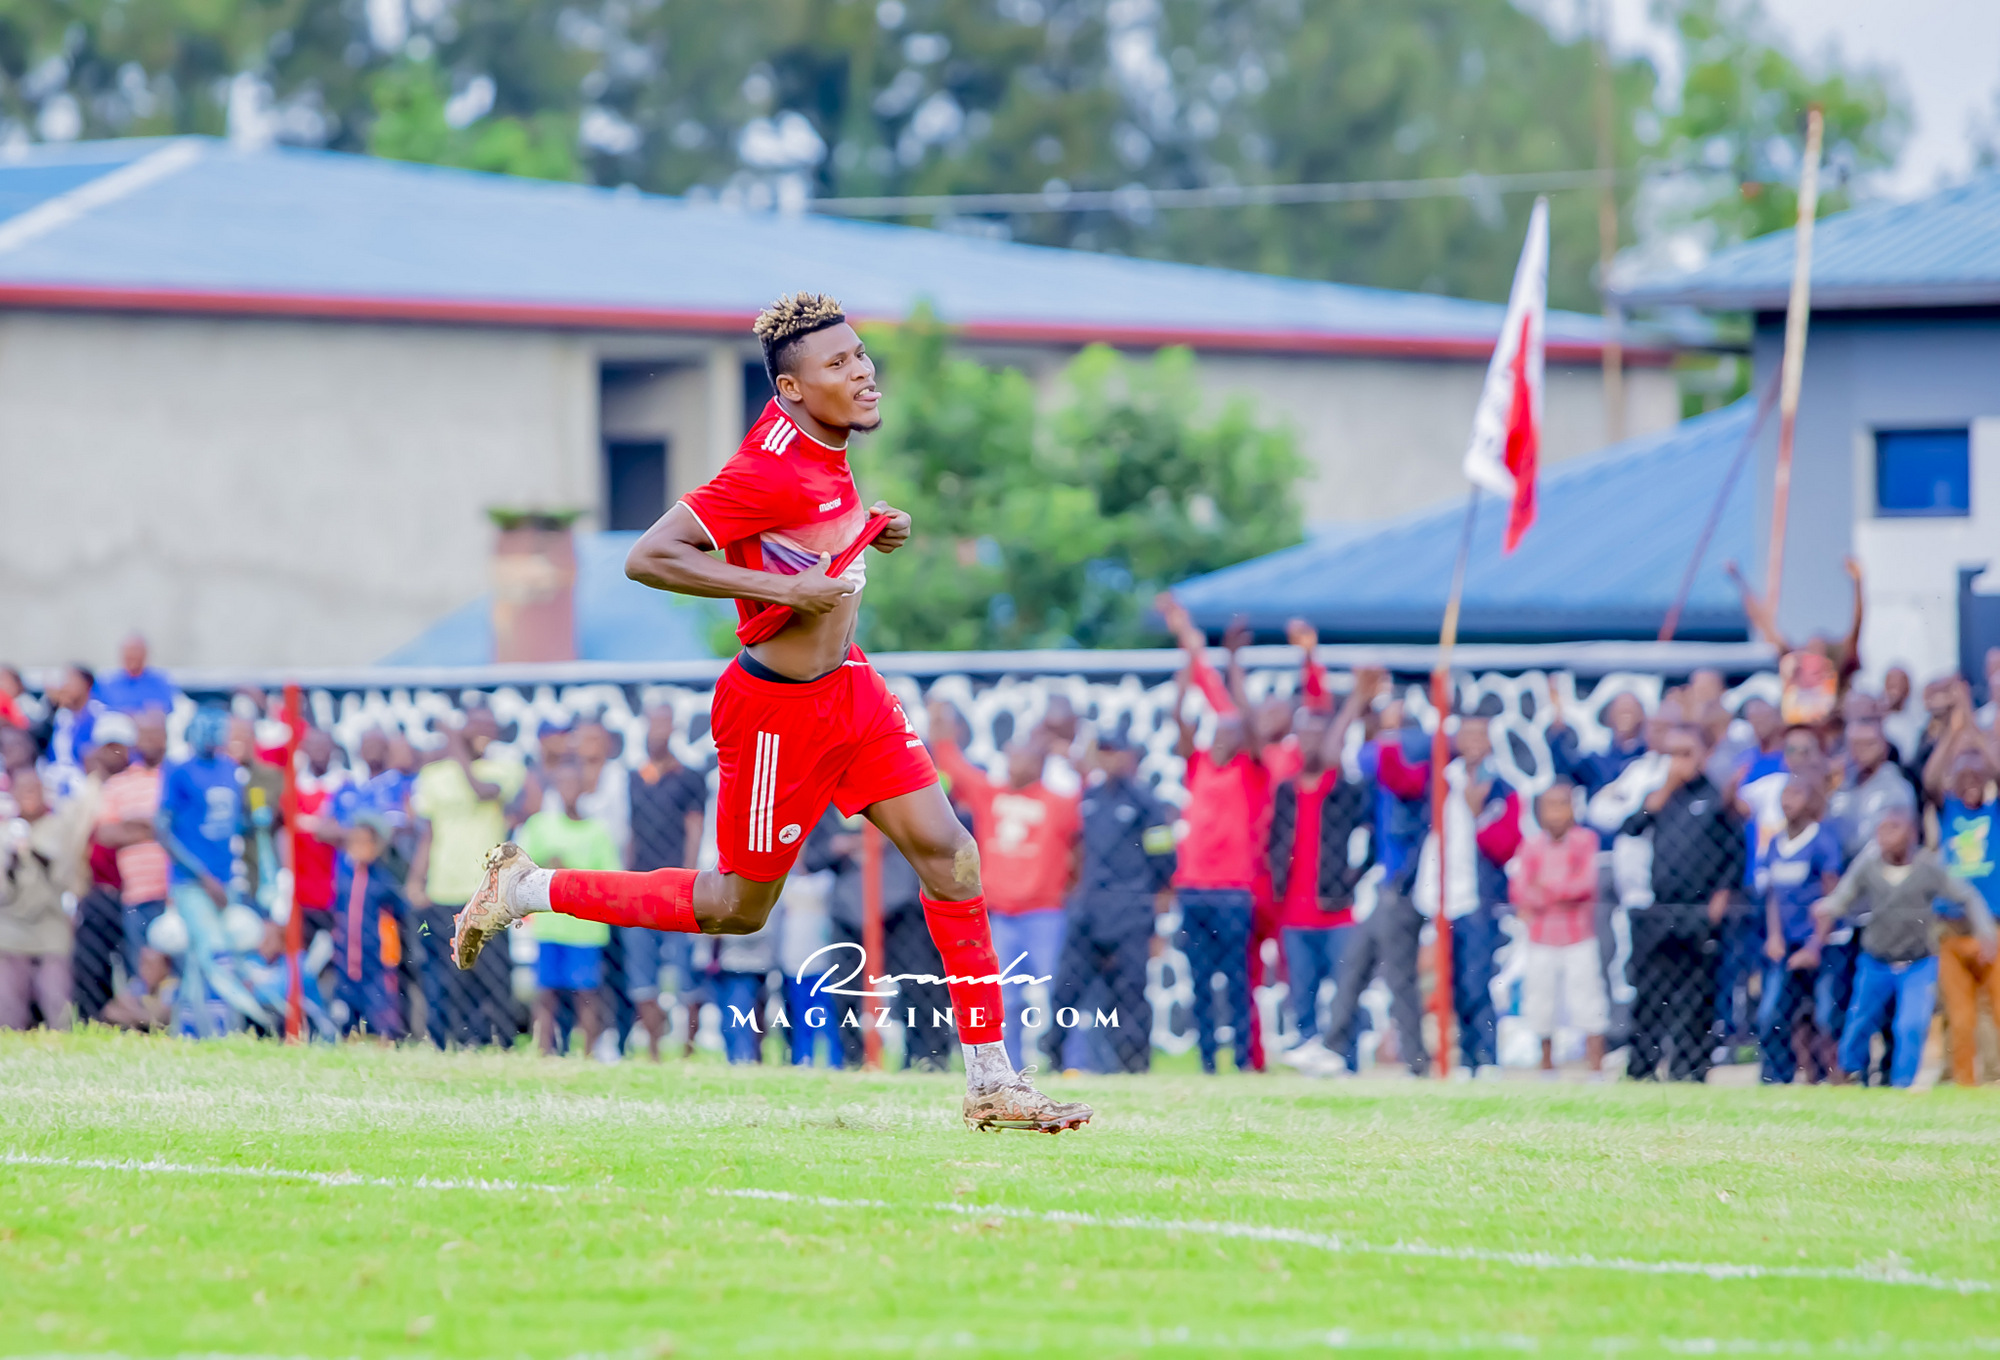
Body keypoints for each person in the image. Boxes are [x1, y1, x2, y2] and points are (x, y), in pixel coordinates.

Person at [451, 293, 1089, 1131]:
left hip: (850, 690)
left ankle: (992, 1082)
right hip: (776, 716)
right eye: (838, 364)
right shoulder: (767, 466)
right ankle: (526, 887)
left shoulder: (827, 444)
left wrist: (869, 529)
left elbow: (805, 538)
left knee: (952, 855)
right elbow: (651, 556)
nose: (862, 373)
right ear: (790, 390)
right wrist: (784, 591)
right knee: (736, 907)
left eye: (860, 355)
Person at [927, 698, 1080, 1070]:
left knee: (1058, 993)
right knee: (1005, 998)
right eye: (1009, 757)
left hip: (1045, 915)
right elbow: (951, 763)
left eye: (1019, 758)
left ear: (1038, 764)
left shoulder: (1060, 803)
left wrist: (1068, 751)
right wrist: (940, 723)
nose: (1011, 764)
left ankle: (1072, 1064)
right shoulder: (990, 795)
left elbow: (1082, 840)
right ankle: (1010, 1069)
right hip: (999, 917)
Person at [1808, 807, 1994, 1088]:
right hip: (1876, 960)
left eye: (1893, 828)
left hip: (1917, 963)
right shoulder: (1868, 865)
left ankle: (1903, 1085)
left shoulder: (1928, 867)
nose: (1884, 836)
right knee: (1860, 1020)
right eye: (1881, 829)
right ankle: (1848, 1074)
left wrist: (1985, 931)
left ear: (1912, 834)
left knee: (1910, 1026)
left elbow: (1967, 895)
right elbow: (1843, 897)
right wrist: (1827, 907)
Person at [1039, 734, 1176, 1074]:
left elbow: (1165, 862)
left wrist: (1150, 904)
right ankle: (1053, 1059)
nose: (1109, 760)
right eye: (1103, 752)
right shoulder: (1089, 799)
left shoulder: (1148, 804)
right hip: (1088, 912)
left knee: (1131, 991)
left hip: (1130, 914)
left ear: (1130, 757)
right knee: (1066, 987)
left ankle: (1135, 1068)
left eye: (1115, 753)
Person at [1619, 726, 1746, 1081]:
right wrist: (1663, 792)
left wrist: (1722, 897)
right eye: (1672, 755)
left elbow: (1735, 852)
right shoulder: (1662, 797)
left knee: (1695, 997)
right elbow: (1631, 828)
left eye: (1686, 754)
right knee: (1649, 994)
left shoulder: (1717, 798)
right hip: (1660, 910)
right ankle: (1641, 1070)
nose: (1678, 762)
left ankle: (1688, 1071)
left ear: (1704, 756)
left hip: (1699, 911)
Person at [1168, 661, 1270, 1075]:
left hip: (1232, 891)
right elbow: (1180, 725)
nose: (1220, 741)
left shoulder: (1249, 772)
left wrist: (1233, 668)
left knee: (1235, 978)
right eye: (1216, 734)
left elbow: (1251, 726)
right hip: (1193, 889)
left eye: (1230, 735)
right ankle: (1209, 1060)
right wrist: (1182, 688)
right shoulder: (1199, 766)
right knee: (1201, 979)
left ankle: (1243, 1059)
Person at [1269, 678, 1375, 1066]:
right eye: (1305, 735)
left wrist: (1354, 704)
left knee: (1345, 992)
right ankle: (1308, 1057)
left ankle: (1346, 1061)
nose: (1311, 743)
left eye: (1320, 735)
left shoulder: (1342, 789)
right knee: (1302, 995)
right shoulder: (1286, 791)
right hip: (1294, 914)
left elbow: (1332, 757)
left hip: (1335, 910)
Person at [407, 707, 526, 1048]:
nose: (484, 732)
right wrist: (416, 879)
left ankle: (498, 1043)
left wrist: (454, 743)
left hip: (490, 892)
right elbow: (428, 834)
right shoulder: (433, 776)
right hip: (444, 889)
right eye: (476, 726)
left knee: (493, 976)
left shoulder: (505, 769)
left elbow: (482, 791)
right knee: (449, 977)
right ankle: (450, 1043)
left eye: (490, 727)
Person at [1412, 715, 1523, 1077]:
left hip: (1477, 900)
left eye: (1481, 735)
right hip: (1439, 899)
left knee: (1477, 981)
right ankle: (1464, 1059)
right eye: (1467, 735)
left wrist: (1478, 816)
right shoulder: (1441, 781)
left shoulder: (1502, 789)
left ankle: (1486, 1057)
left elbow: (1506, 845)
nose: (1474, 742)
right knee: (1451, 983)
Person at [155, 706, 264, 1034]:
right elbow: (163, 829)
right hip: (192, 882)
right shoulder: (178, 770)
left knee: (209, 954)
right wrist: (203, 877)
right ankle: (218, 1030)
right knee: (214, 949)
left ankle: (190, 1028)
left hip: (226, 879)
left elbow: (233, 823)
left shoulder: (230, 770)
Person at [517, 760, 619, 1057]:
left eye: (573, 783)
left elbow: (612, 877)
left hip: (585, 929)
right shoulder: (539, 826)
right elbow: (522, 866)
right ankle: (543, 1050)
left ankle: (587, 1053)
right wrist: (546, 865)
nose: (568, 790)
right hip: (550, 926)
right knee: (545, 993)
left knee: (586, 995)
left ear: (584, 788)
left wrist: (570, 873)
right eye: (562, 783)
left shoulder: (597, 831)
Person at [624, 706, 708, 1061]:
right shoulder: (634, 778)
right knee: (642, 973)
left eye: (662, 723)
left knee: (686, 972)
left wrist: (689, 878)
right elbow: (629, 831)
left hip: (677, 887)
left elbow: (695, 828)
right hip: (640, 887)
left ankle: (688, 1049)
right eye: (652, 723)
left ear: (673, 728)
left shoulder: (689, 777)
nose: (656, 731)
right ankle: (654, 1051)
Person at [1752, 777, 1844, 1084]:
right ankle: (1775, 1079)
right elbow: (1773, 895)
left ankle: (1834, 1078)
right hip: (1787, 945)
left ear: (1812, 800)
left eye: (1796, 793)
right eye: (1784, 794)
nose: (1787, 800)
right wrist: (1774, 936)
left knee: (1826, 1016)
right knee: (1770, 1014)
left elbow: (1832, 897)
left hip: (1821, 945)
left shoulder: (1822, 841)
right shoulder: (1775, 843)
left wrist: (1815, 945)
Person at [1511, 781, 1606, 1075]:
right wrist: (1560, 892)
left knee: (1588, 1001)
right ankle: (1547, 1068)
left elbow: (1585, 885)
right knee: (1541, 1002)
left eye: (1562, 805)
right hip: (1541, 937)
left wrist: (1546, 889)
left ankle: (1596, 1070)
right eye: (1549, 806)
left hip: (1578, 936)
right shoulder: (1531, 846)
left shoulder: (1585, 841)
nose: (1556, 813)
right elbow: (1520, 891)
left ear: (1573, 809)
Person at [0, 768, 93, 1029]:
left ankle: (62, 1037)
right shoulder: (4, 832)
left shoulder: (59, 827)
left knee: (55, 991)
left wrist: (33, 851)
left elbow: (64, 876)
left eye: (34, 789)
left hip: (50, 919)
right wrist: (12, 860)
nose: (29, 795)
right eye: (23, 790)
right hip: (10, 924)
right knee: (8, 996)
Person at [1932, 746, 2000, 1086]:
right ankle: (1962, 1081)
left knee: (1996, 1010)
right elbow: (1931, 780)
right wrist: (1955, 730)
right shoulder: (1948, 812)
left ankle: (1995, 1077)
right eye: (1963, 777)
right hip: (1952, 929)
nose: (1970, 783)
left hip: (1994, 928)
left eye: (1977, 776)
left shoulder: (1994, 814)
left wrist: (1975, 733)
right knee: (1958, 1013)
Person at [94, 711, 170, 985]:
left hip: (174, 891)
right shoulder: (119, 784)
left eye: (154, 735)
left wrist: (132, 825)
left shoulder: (175, 778)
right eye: (143, 735)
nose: (148, 741)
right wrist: (155, 827)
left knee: (176, 969)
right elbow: (106, 834)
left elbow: (183, 827)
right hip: (137, 893)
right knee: (141, 972)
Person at [331, 817, 408, 1039]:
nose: (360, 848)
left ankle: (387, 1039)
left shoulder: (382, 880)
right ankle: (351, 1038)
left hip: (376, 958)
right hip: (347, 959)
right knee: (347, 1011)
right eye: (355, 842)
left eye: (365, 843)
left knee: (380, 1008)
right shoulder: (345, 878)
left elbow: (401, 912)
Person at [1828, 718, 1915, 864]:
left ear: (1884, 747)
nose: (1862, 750)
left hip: (1875, 867)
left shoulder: (1896, 788)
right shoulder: (1842, 787)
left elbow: (1891, 842)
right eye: (1855, 744)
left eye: (1869, 744)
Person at [1548, 691, 1647, 797]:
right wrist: (1558, 727)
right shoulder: (1595, 763)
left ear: (1641, 717)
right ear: (1608, 718)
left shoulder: (1648, 758)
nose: (1625, 717)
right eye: (1620, 712)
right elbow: (1567, 768)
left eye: (1630, 712)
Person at [92, 634, 179, 714]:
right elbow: (97, 710)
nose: (132, 660)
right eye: (129, 657)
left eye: (136, 654)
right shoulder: (105, 683)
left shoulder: (161, 682)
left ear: (145, 655)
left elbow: (168, 709)